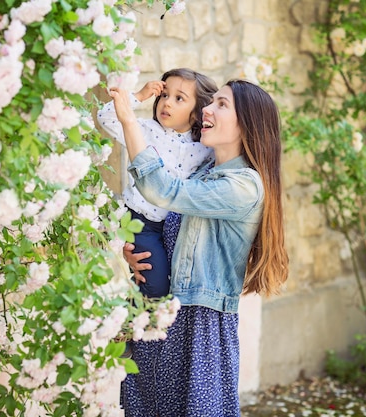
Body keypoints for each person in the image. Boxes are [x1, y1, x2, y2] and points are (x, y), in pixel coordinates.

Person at [108, 79, 290, 417]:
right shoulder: (203, 169)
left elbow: (162, 190)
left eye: (222, 104)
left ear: (247, 124)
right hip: (163, 312)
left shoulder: (244, 186)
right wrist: (131, 250)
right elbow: (164, 228)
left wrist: (129, 121)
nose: (207, 108)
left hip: (197, 324)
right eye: (212, 102)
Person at [97, 68, 218, 298]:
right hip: (141, 222)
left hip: (174, 228)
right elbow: (106, 117)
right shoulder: (147, 131)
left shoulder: (204, 146)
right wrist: (139, 96)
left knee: (171, 284)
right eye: (164, 95)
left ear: (196, 113)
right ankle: (134, 326)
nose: (167, 103)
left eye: (179, 98)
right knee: (155, 285)